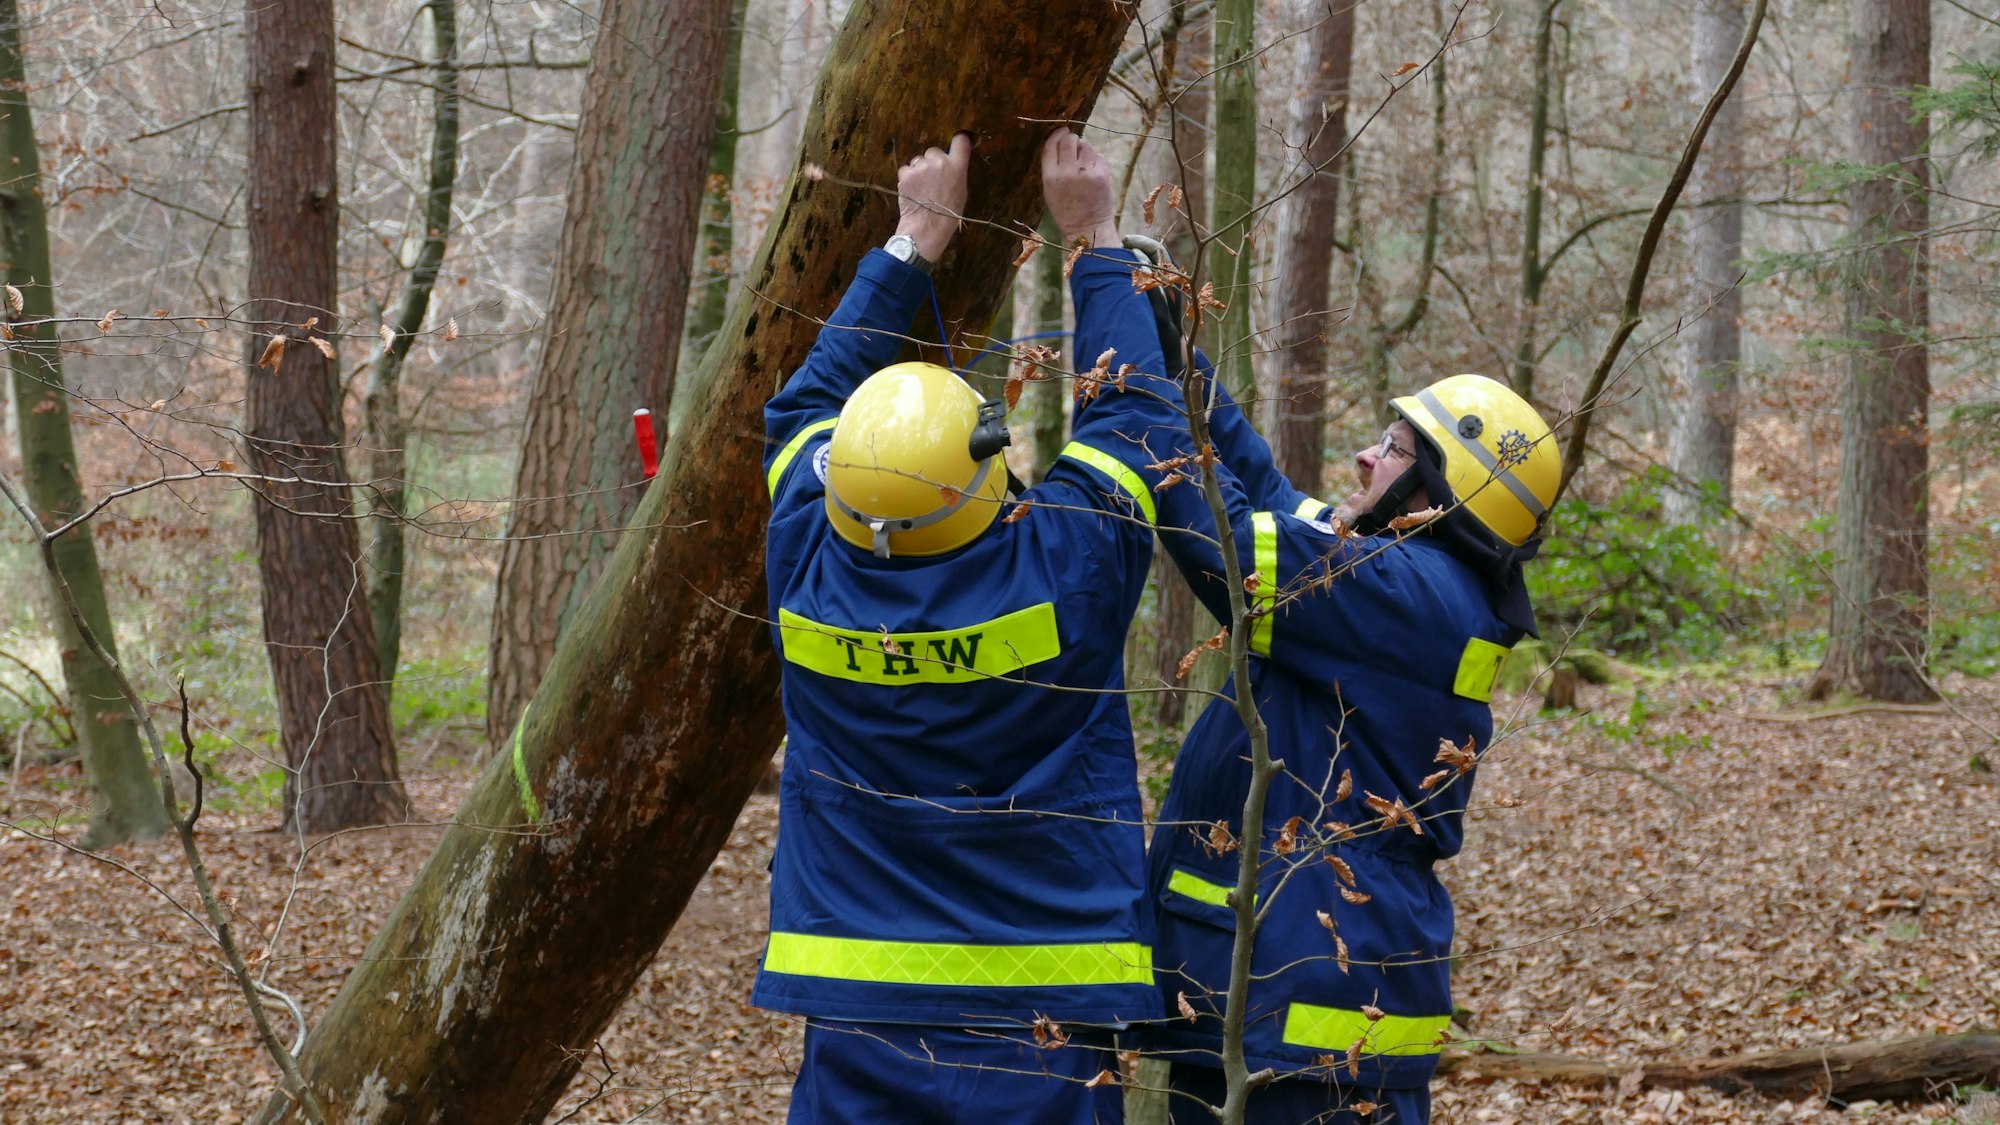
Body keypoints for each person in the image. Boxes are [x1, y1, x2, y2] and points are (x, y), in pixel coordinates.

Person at [1051, 139, 1558, 1123]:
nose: (1364, 454)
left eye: (1395, 449)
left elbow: (1219, 532)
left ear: (1439, 498)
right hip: (1297, 1008)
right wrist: (1169, 346)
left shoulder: (1401, 591)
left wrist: (1097, 262)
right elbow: (1266, 492)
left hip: (1299, 1024)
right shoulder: (1415, 584)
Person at [754, 130, 1201, 1124]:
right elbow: (1135, 423)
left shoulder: (805, 558)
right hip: (1043, 1005)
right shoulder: (1063, 570)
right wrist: (1092, 240)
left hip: (855, 1000)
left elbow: (797, 415)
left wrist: (913, 240)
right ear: (987, 476)